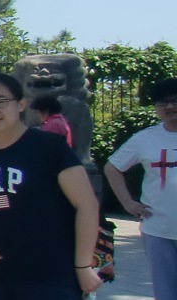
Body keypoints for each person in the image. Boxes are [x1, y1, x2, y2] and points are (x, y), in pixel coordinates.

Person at [0, 73, 103, 299]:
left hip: (50, 278)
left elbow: (86, 204)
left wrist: (83, 266)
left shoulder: (49, 147)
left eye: (1, 101)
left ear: (21, 104)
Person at [105, 77, 177, 300]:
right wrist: (128, 203)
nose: (169, 107)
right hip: (158, 229)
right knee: (165, 293)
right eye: (162, 102)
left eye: (175, 100)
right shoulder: (144, 139)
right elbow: (112, 167)